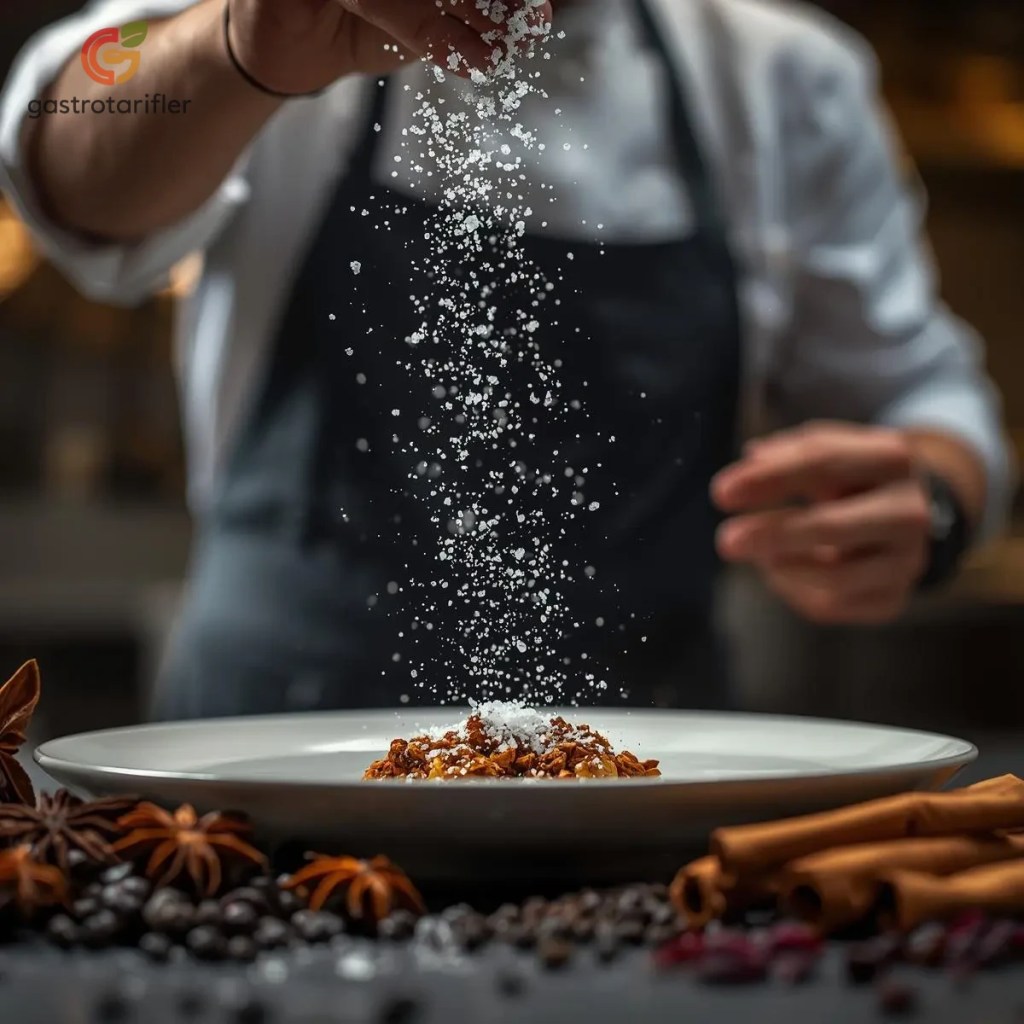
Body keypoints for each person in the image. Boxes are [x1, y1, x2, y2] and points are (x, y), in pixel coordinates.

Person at [0, 0, 1012, 718]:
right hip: (263, 762)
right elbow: (63, 135)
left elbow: (931, 402)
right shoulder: (282, 9)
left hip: (644, 773)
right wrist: (234, 47)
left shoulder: (783, 75)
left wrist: (930, 502)